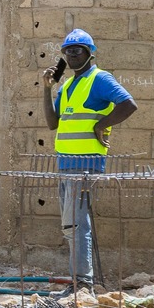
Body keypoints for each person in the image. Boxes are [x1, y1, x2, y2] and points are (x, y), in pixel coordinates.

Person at [41, 29, 137, 284]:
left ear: (90, 53)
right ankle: (80, 278)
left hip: (86, 162)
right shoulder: (68, 85)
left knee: (76, 224)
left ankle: (82, 281)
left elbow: (129, 104)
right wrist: (47, 90)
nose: (72, 55)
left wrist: (100, 125)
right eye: (68, 52)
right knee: (70, 225)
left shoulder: (100, 79)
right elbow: (53, 123)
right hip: (65, 162)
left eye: (78, 51)